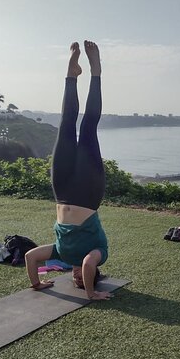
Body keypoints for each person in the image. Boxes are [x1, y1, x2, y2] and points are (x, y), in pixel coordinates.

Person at [24, 40, 112, 301]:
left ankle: (71, 75)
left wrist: (37, 283)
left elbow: (30, 257)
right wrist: (91, 294)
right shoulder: (99, 254)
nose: (75, 278)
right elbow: (86, 265)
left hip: (61, 191)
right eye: (81, 281)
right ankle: (96, 71)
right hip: (87, 192)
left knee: (65, 125)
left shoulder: (61, 255)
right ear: (96, 274)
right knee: (88, 128)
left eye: (75, 282)